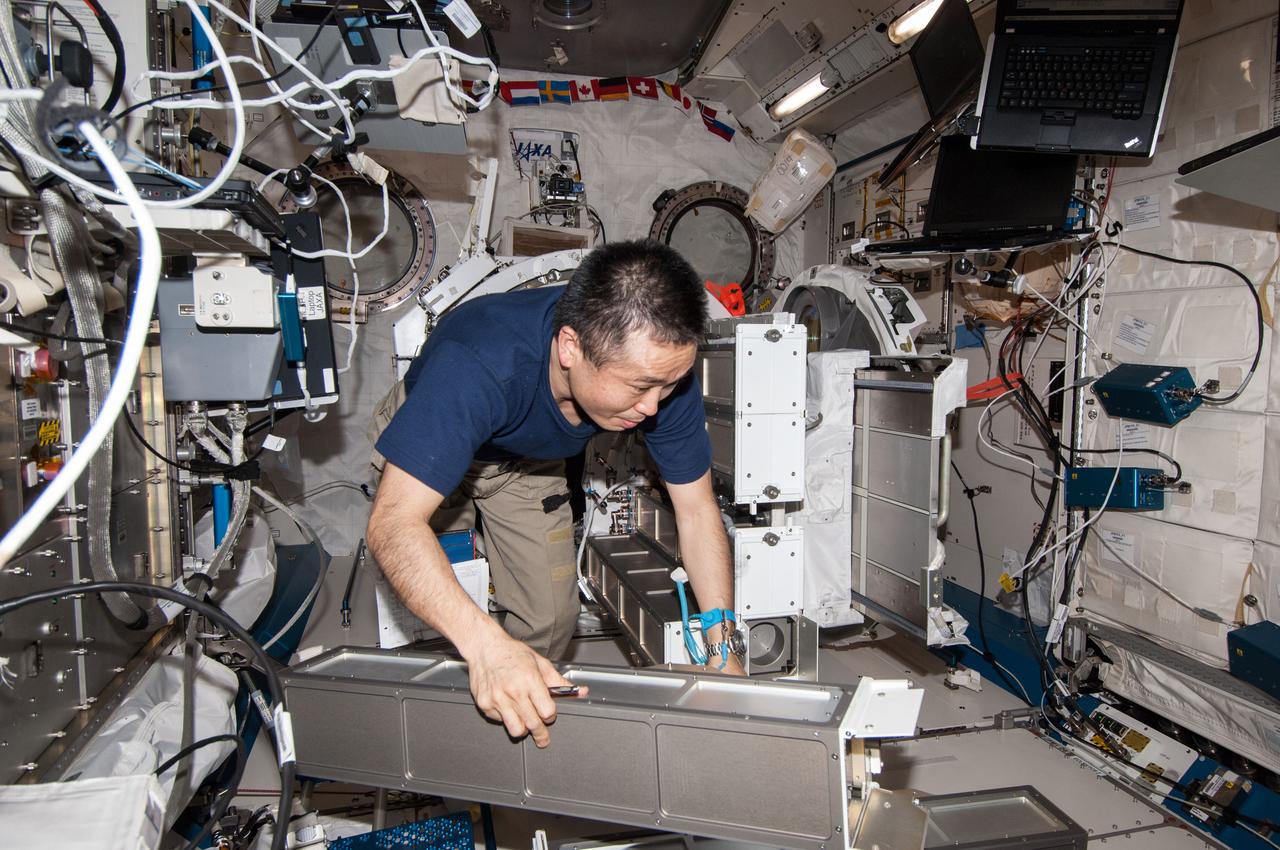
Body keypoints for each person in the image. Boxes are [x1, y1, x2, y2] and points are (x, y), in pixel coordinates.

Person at [366, 239, 741, 749]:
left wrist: (723, 643)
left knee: (549, 618)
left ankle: (512, 718)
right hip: (434, 436)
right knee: (432, 611)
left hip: (524, 461)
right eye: (639, 388)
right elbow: (393, 525)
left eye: (668, 386)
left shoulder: (660, 371)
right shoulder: (478, 362)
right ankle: (434, 733)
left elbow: (696, 510)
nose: (654, 408)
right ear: (570, 348)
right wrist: (485, 647)